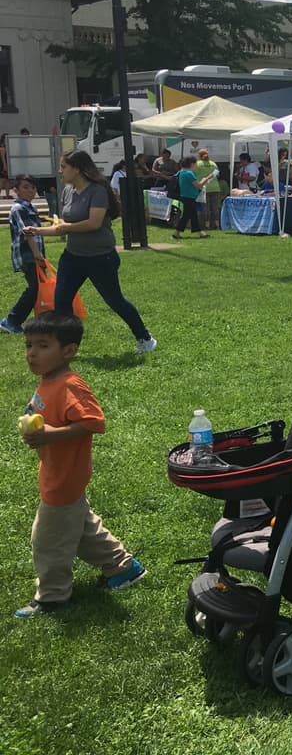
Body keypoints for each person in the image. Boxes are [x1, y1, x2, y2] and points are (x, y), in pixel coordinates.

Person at [14, 311, 147, 616]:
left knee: (47, 540)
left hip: (64, 477)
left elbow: (93, 422)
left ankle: (52, 596)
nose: (32, 353)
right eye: (29, 345)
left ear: (68, 351)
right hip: (57, 471)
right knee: (82, 527)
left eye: (43, 346)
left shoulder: (70, 385)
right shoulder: (49, 380)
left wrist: (51, 435)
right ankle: (123, 568)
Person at [23, 151, 156, 353]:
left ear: (77, 169)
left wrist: (65, 228)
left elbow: (93, 223)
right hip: (73, 256)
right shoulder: (68, 191)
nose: (60, 171)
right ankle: (66, 346)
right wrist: (37, 231)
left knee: (115, 301)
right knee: (62, 303)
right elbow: (63, 225)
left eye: (63, 167)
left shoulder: (98, 191)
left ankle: (145, 338)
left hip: (101, 257)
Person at [1, 175, 46, 334]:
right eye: (26, 187)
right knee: (34, 288)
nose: (31, 191)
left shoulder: (30, 207)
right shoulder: (19, 208)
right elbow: (28, 234)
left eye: (33, 187)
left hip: (34, 255)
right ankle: (11, 320)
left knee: (38, 288)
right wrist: (38, 256)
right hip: (28, 256)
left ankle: (37, 320)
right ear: (16, 190)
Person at [173, 155, 212, 238]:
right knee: (187, 216)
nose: (196, 166)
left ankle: (198, 231)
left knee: (192, 215)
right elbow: (198, 185)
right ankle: (176, 233)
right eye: (195, 164)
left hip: (186, 196)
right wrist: (207, 178)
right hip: (189, 197)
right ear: (191, 164)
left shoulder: (182, 172)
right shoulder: (189, 173)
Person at [194, 148, 223, 230]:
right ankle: (217, 225)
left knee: (205, 208)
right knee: (215, 207)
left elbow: (193, 175)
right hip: (215, 187)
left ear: (199, 155)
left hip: (204, 187)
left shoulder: (197, 164)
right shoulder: (213, 164)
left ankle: (207, 225)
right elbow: (217, 175)